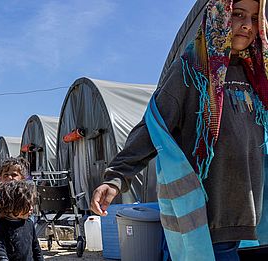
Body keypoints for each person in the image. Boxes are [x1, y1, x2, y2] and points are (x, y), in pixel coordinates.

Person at [91, 0, 268, 260]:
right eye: (237, 14)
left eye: (254, 18)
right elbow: (154, 124)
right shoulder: (192, 69)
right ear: (219, 15)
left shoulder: (258, 74)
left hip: (250, 218)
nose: (246, 25)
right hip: (207, 220)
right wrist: (116, 177)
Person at [0, 180, 43, 261]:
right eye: (27, 205)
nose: (31, 208)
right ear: (13, 205)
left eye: (32, 204)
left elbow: (36, 249)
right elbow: (0, 253)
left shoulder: (29, 224)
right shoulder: (1, 227)